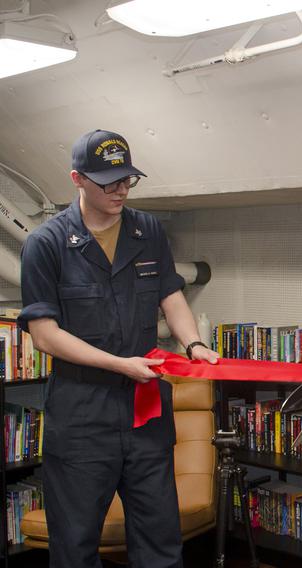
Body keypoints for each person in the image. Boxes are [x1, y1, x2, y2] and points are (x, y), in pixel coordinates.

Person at [17, 129, 219, 568]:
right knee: (74, 548)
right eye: (109, 181)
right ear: (77, 179)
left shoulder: (147, 229)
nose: (121, 189)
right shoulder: (45, 244)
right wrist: (120, 365)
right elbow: (44, 334)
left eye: (128, 179)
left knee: (160, 545)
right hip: (82, 417)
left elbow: (171, 294)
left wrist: (195, 343)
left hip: (145, 414)